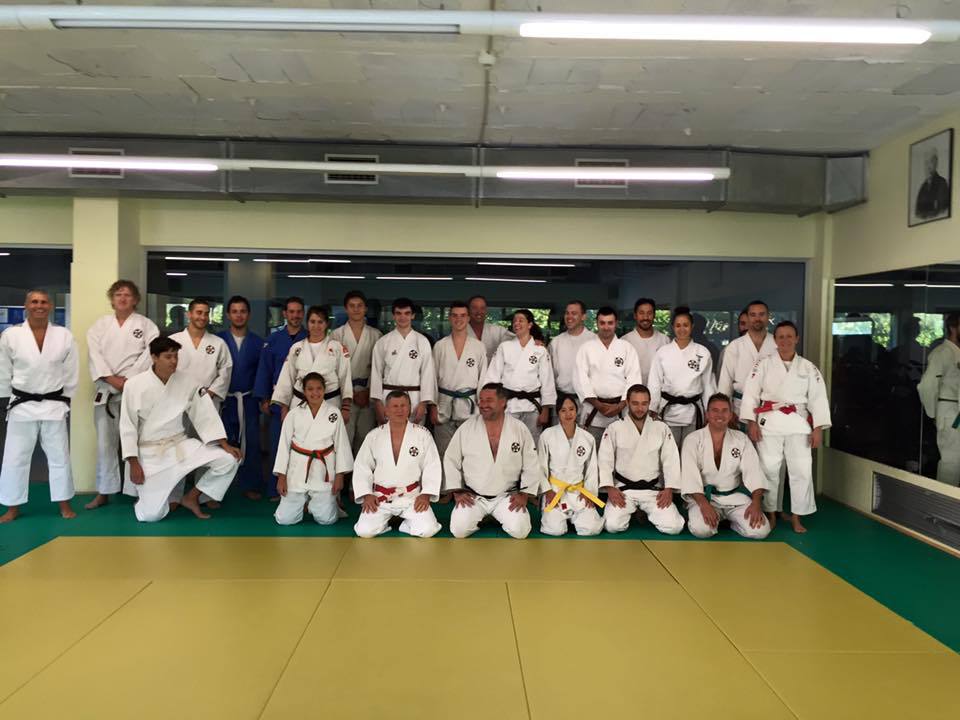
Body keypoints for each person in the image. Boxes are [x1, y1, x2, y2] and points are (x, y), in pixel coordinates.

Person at [119, 336, 241, 522]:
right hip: (151, 455)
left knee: (228, 460)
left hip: (180, 447)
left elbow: (205, 414)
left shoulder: (187, 381)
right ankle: (154, 496)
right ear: (154, 357)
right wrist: (133, 463)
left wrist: (224, 444)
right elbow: (127, 426)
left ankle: (191, 497)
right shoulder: (133, 385)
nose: (174, 361)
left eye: (176, 356)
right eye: (168, 357)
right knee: (151, 516)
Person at [741, 321, 831, 533]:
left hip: (798, 423)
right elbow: (751, 393)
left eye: (789, 336)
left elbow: (818, 399)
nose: (785, 340)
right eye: (780, 336)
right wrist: (751, 422)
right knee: (769, 469)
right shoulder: (763, 365)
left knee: (801, 470)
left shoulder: (808, 368)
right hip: (770, 422)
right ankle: (771, 512)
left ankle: (797, 516)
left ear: (797, 339)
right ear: (775, 340)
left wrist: (818, 428)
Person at [0, 289, 78, 523]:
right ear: (26, 306)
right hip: (21, 404)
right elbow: (3, 369)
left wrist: (66, 398)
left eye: (43, 302)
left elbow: (71, 371)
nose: (39, 306)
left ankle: (64, 503)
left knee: (60, 456)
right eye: (34, 302)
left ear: (50, 306)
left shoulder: (63, 335)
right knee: (15, 457)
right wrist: (5, 398)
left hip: (53, 403)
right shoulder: (11, 335)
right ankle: (12, 507)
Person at [85, 280, 159, 509]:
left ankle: (138, 489)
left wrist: (130, 380)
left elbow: (151, 354)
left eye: (127, 295)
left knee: (137, 442)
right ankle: (104, 491)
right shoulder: (100, 326)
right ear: (112, 299)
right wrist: (111, 379)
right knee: (105, 444)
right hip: (106, 391)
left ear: (135, 300)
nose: (123, 298)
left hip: (135, 391)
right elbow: (94, 354)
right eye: (118, 294)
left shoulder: (146, 325)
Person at [442, 383, 542, 539]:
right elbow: (450, 459)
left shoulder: (518, 428)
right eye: (481, 400)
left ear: (503, 402)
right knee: (459, 530)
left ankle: (498, 515)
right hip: (474, 496)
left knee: (520, 531)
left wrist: (524, 494)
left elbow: (531, 462)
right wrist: (457, 491)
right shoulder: (467, 428)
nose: (483, 404)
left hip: (507, 496)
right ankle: (482, 515)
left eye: (489, 400)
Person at [353, 391, 442, 538]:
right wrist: (367, 494)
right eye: (394, 406)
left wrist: (426, 494)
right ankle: (386, 523)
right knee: (364, 531)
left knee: (428, 530)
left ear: (410, 408)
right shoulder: (374, 435)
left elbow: (432, 466)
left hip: (411, 497)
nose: (399, 410)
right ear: (386, 410)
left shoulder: (423, 434)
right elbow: (362, 466)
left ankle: (404, 524)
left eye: (403, 405)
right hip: (380, 498)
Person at [680, 393, 770, 539]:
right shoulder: (693, 440)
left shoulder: (741, 439)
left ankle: (733, 523)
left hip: (735, 498)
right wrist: (704, 505)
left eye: (724, 410)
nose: (720, 415)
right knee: (702, 530)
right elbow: (690, 477)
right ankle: (717, 519)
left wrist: (756, 503)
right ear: (707, 414)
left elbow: (754, 472)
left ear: (730, 414)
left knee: (761, 531)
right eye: (715, 410)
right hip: (704, 498)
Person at [598, 384, 685, 535]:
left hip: (652, 490)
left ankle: (643, 512)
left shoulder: (661, 428)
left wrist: (669, 488)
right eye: (635, 403)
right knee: (612, 526)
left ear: (649, 403)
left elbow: (671, 460)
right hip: (623, 490)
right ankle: (636, 513)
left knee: (674, 527)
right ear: (627, 402)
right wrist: (610, 488)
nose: (640, 408)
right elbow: (605, 460)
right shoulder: (614, 428)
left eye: (644, 403)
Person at [272, 372, 353, 526]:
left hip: (323, 472)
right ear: (304, 391)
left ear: (324, 390)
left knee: (326, 520)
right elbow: (283, 446)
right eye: (310, 389)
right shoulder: (293, 414)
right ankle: (303, 503)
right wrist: (281, 477)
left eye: (319, 388)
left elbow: (341, 445)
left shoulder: (334, 413)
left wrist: (339, 476)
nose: (315, 393)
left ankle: (320, 504)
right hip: (297, 470)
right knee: (284, 519)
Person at [253, 296, 306, 500]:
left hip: (304, 401)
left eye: (298, 311)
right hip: (278, 401)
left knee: (303, 447)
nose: (295, 315)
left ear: (303, 313)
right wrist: (264, 398)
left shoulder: (309, 338)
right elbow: (264, 370)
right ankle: (275, 489)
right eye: (291, 311)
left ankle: (300, 489)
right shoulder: (273, 340)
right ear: (285, 314)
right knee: (277, 446)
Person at [648, 306, 717, 447]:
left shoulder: (703, 352)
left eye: (685, 325)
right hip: (668, 411)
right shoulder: (662, 352)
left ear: (692, 327)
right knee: (669, 453)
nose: (682, 329)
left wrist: (710, 411)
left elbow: (708, 384)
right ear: (673, 327)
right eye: (678, 325)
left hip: (693, 413)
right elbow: (655, 382)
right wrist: (652, 408)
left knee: (691, 452)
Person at [574, 305, 642, 446]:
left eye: (610, 323)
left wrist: (620, 405)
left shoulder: (626, 348)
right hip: (593, 412)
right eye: (602, 323)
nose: (606, 327)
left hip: (620, 412)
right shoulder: (586, 348)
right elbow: (580, 379)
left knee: (621, 452)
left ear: (616, 323)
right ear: (597, 323)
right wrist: (599, 405)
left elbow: (634, 380)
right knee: (592, 452)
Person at [484, 309, 555, 442]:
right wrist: (491, 402)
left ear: (530, 325)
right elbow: (492, 377)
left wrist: (545, 410)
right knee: (508, 442)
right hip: (509, 405)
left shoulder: (540, 350)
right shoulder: (504, 347)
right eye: (514, 321)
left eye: (521, 320)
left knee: (532, 443)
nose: (516, 323)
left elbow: (547, 381)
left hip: (532, 406)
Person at [217, 295, 263, 500]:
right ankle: (217, 488)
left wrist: (262, 398)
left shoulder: (258, 343)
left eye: (242, 311)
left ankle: (250, 484)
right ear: (228, 315)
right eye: (234, 311)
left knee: (251, 442)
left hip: (248, 399)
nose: (238, 315)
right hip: (224, 399)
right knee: (223, 442)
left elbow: (262, 373)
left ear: (248, 314)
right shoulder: (218, 340)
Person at [272, 305, 352, 421]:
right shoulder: (296, 348)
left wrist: (346, 408)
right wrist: (284, 408)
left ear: (326, 324)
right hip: (300, 402)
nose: (316, 326)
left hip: (330, 402)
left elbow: (345, 378)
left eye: (320, 322)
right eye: (312, 322)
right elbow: (287, 378)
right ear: (307, 323)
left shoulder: (337, 347)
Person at [538, 395, 604, 536]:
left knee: (591, 529)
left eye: (571, 409)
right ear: (558, 413)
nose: (568, 414)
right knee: (555, 530)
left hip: (578, 492)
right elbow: (540, 466)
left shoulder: (587, 438)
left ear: (576, 411)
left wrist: (589, 493)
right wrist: (547, 491)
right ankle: (562, 519)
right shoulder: (547, 435)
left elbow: (591, 469)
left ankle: (576, 518)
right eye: (563, 410)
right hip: (555, 492)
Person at [431, 301, 487, 458]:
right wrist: (432, 406)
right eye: (455, 316)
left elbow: (483, 378)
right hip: (444, 405)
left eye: (462, 316)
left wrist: (482, 404)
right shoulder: (440, 346)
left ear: (468, 318)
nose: (458, 319)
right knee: (444, 453)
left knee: (470, 453)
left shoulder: (478, 346)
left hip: (470, 406)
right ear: (449, 318)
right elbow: (432, 379)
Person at [329, 290, 383, 455]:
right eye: (352, 306)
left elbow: (380, 369)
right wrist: (350, 392)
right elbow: (332, 368)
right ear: (346, 309)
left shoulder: (376, 335)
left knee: (365, 440)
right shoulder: (336, 335)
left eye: (360, 306)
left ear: (365, 308)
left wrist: (368, 391)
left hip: (368, 395)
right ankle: (343, 473)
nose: (356, 309)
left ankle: (360, 473)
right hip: (345, 394)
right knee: (344, 440)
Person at [370, 297, 437, 426]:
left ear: (413, 315)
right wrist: (378, 403)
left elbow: (428, 374)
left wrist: (424, 403)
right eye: (398, 313)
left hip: (415, 398)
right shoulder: (383, 342)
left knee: (415, 435)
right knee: (388, 435)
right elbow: (376, 373)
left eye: (407, 313)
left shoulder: (422, 341)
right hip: (389, 397)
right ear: (393, 316)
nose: (403, 317)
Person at [718, 300, 777, 426]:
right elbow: (725, 382)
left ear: (768, 317)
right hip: (739, 409)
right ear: (748, 318)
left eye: (761, 314)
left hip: (772, 408)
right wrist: (725, 411)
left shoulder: (777, 344)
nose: (757, 318)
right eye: (753, 315)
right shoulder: (734, 347)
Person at [918, 311, 960, 486]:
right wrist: (934, 413)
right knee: (951, 461)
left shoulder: (956, 352)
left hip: (955, 410)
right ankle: (945, 498)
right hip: (950, 413)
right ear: (953, 328)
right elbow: (926, 386)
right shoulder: (942, 353)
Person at [169, 298, 232, 407]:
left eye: (206, 314)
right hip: (177, 398)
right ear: (189, 314)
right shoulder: (172, 341)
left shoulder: (218, 343)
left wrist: (211, 392)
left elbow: (226, 369)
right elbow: (163, 369)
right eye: (199, 312)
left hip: (207, 399)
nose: (203, 317)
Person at [549, 300, 596, 399]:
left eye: (574, 313)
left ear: (583, 316)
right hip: (562, 398)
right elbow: (549, 374)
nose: (569, 317)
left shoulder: (594, 341)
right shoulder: (556, 342)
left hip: (589, 399)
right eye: (567, 313)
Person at [621, 298, 669, 382]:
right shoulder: (624, 341)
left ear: (654, 315)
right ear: (635, 315)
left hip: (659, 388)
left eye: (649, 313)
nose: (645, 317)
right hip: (633, 388)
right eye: (641, 313)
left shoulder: (665, 340)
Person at [467, 295, 514, 361]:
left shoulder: (497, 330)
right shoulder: (460, 332)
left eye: (482, 308)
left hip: (493, 367)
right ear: (468, 310)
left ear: (486, 311)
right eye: (474, 308)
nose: (479, 312)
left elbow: (516, 340)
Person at [915, 149, 951, 220]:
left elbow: (942, 210)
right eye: (926, 163)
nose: (928, 166)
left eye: (931, 162)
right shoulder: (923, 187)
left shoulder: (942, 183)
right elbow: (918, 213)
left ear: (936, 163)